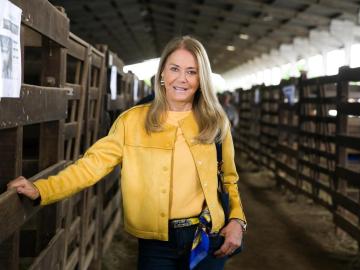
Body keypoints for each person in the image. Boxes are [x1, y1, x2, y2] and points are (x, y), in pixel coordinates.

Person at [7, 35, 246, 270]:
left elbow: (229, 179)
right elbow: (90, 166)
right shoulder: (132, 122)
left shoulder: (215, 122)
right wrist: (42, 189)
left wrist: (237, 220)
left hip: (205, 237)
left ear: (201, 78)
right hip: (156, 243)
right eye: (175, 68)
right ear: (162, 73)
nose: (182, 79)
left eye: (192, 72)